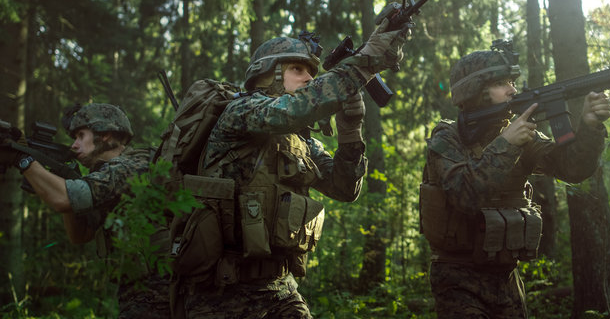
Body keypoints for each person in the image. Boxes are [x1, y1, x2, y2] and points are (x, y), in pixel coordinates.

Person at [175, 18, 410, 318]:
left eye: (312, 72)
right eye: (297, 69)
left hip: (279, 286)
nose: (309, 78)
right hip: (222, 291)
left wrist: (351, 128)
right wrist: (366, 62)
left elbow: (345, 188)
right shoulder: (241, 111)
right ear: (267, 73)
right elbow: (297, 109)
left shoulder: (300, 141)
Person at [420, 41, 610, 318]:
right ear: (475, 90)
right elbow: (464, 195)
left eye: (512, 81)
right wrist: (506, 144)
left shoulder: (520, 133)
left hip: (507, 278)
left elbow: (572, 169)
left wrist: (589, 126)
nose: (512, 89)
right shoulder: (447, 138)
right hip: (457, 278)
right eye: (501, 83)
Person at [13, 103, 170, 319]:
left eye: (80, 135)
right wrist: (66, 176)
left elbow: (63, 198)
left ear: (105, 134)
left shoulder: (133, 166)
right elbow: (79, 235)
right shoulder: (107, 174)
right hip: (139, 295)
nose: (73, 145)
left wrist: (22, 160)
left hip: (162, 295)